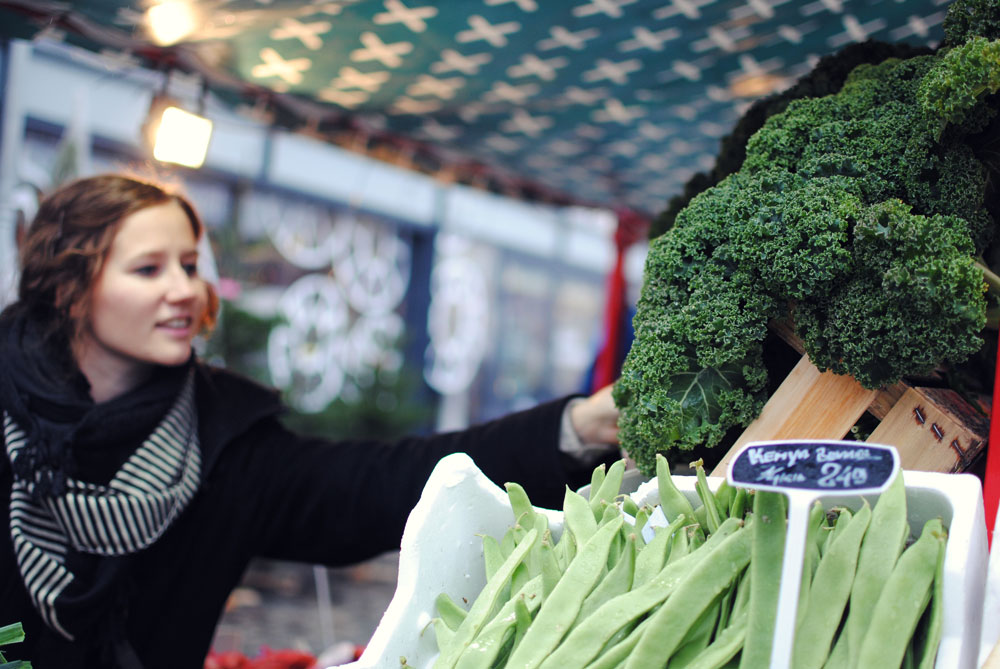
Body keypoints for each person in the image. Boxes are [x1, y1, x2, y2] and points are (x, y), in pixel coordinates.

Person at [0, 174, 623, 668]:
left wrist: (576, 427)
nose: (185, 289)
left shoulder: (226, 440)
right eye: (148, 269)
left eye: (189, 265)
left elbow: (381, 482)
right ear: (67, 287)